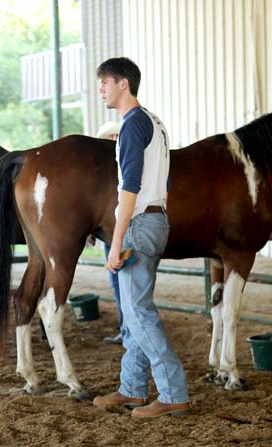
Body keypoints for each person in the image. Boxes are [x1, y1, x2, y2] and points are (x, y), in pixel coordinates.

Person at [92, 57, 190, 418]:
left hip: (139, 224)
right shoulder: (154, 122)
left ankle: (173, 393)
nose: (100, 89)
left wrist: (115, 243)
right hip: (156, 218)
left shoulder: (133, 125)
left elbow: (129, 188)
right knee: (134, 312)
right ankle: (132, 388)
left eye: (104, 82)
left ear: (123, 84)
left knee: (139, 312)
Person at [96, 121, 123, 345]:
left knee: (125, 281)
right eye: (110, 138)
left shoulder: (124, 165)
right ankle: (125, 328)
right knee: (116, 282)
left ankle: (129, 330)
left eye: (115, 137)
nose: (113, 141)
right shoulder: (105, 171)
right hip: (109, 232)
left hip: (121, 231)